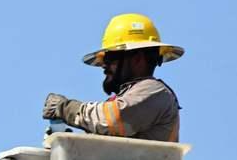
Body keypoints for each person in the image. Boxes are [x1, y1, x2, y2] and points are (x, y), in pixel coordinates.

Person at [42, 13, 182, 142]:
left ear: (138, 59)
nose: (104, 65)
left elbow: (113, 120)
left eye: (110, 57)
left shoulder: (154, 92)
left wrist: (66, 108)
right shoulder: (133, 99)